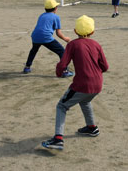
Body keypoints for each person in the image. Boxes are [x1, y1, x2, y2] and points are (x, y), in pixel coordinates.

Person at [42, 15, 109, 150]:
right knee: (85, 101)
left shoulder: (73, 44)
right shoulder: (96, 44)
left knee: (62, 106)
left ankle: (58, 139)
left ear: (75, 31)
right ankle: (91, 128)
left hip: (82, 84)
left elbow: (63, 64)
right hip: (98, 84)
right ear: (92, 32)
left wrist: (59, 72)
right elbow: (105, 67)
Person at [23, 0, 73, 76]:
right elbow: (58, 33)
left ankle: (27, 67)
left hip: (35, 36)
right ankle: (64, 71)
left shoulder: (41, 15)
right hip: (46, 37)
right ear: (55, 8)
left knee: (34, 50)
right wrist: (65, 39)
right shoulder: (56, 17)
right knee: (62, 51)